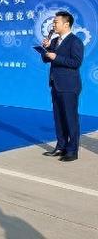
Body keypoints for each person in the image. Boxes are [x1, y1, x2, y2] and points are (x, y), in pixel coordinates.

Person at [41, 11, 84, 162]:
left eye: (56, 22)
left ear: (66, 24)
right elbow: (46, 60)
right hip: (56, 84)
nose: (53, 25)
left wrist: (56, 57)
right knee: (58, 118)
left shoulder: (75, 41)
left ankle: (72, 151)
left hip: (69, 86)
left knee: (70, 118)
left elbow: (76, 63)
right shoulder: (53, 41)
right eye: (53, 22)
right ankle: (61, 146)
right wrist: (45, 49)